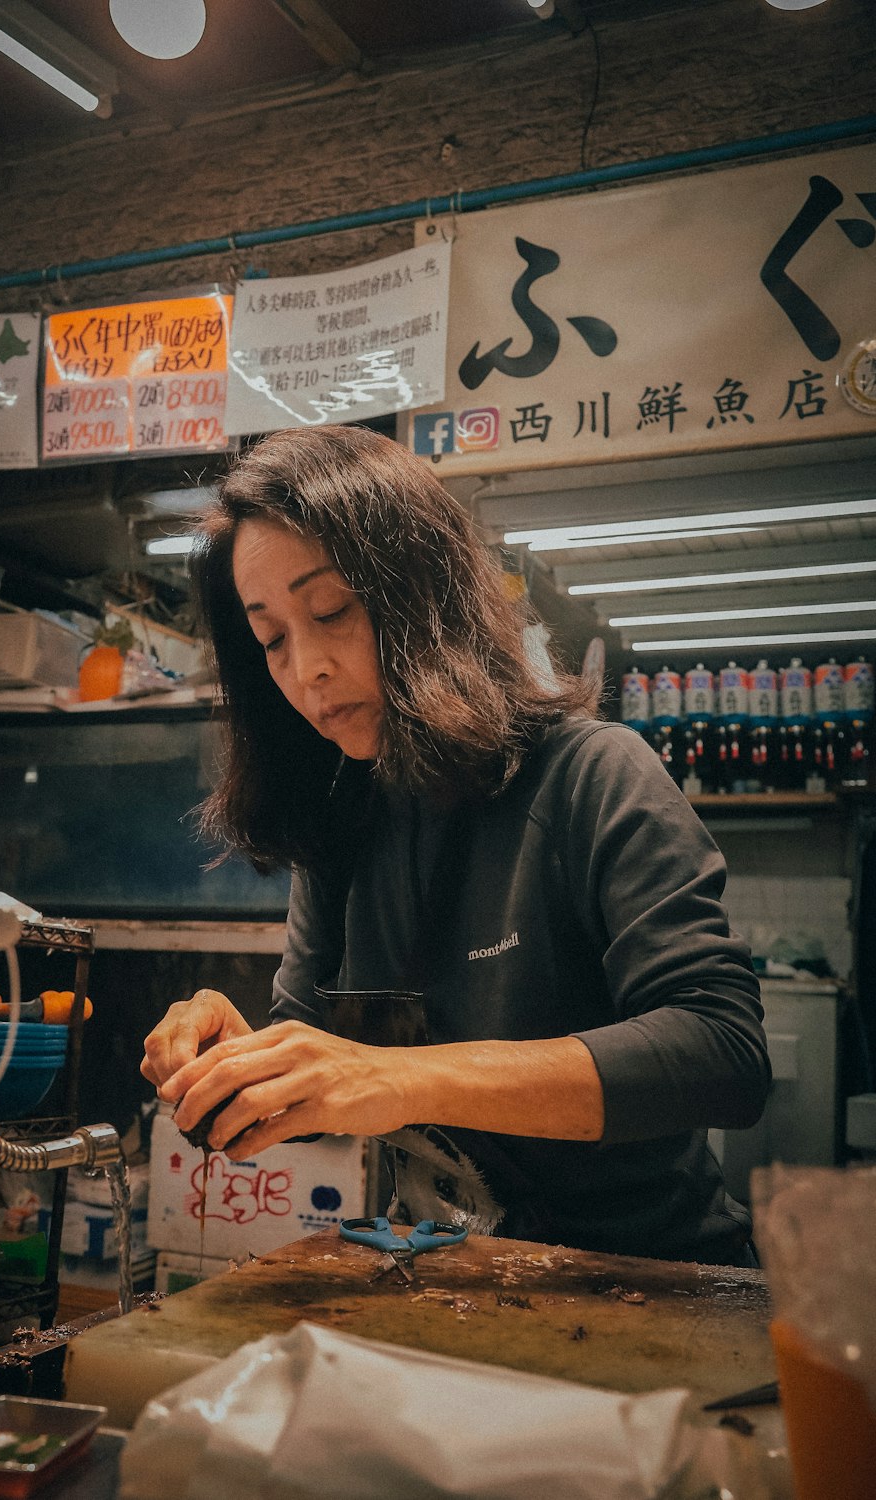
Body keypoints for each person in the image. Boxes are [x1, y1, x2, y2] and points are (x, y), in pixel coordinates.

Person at [141, 424, 770, 1265]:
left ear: (421, 597)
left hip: (654, 1279)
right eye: (273, 638)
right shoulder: (342, 819)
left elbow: (721, 1051)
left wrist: (395, 1078)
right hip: (458, 1279)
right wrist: (240, 1067)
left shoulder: (590, 774)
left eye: (330, 610)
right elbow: (312, 1078)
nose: (307, 669)